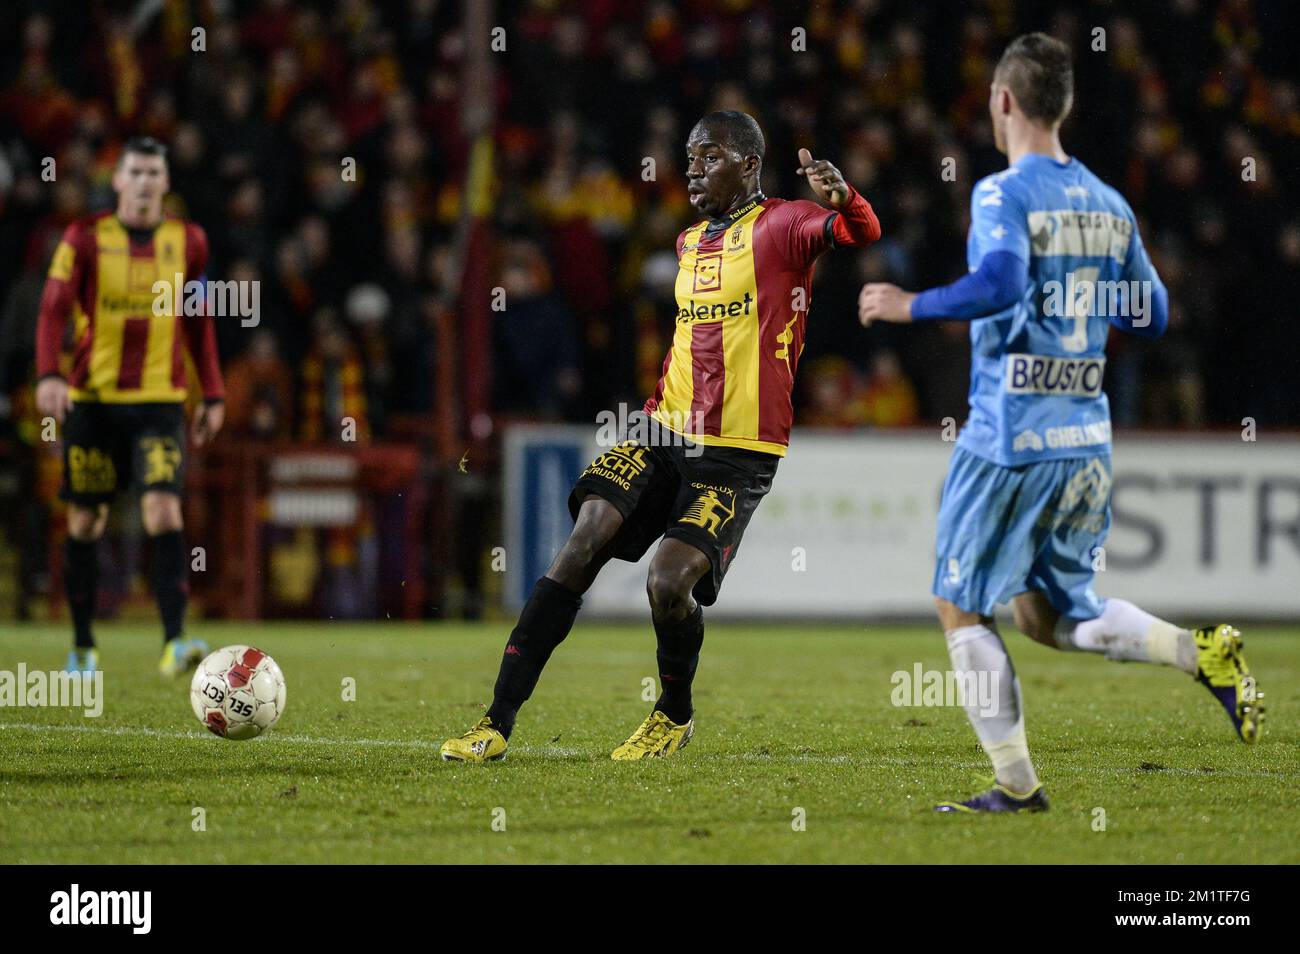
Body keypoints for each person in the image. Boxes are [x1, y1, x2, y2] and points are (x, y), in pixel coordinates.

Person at [859, 34, 1264, 814]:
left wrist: (909, 304)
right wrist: (1083, 298)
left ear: (1002, 101)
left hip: (1010, 436)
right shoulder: (1110, 203)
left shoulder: (1000, 193)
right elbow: (1153, 315)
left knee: (959, 602)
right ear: (1064, 106)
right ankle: (1198, 652)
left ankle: (1016, 788)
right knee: (1047, 615)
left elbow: (1002, 281)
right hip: (1086, 437)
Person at [442, 110, 881, 761]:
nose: (694, 168)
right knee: (583, 539)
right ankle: (495, 723)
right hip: (662, 433)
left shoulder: (784, 226)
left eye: (711, 156)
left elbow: (859, 230)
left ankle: (673, 715)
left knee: (666, 583)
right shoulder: (687, 243)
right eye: (690, 157)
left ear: (750, 165)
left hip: (738, 456)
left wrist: (842, 196)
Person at [34, 136, 225, 678]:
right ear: (117, 180)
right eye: (135, 172)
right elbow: (52, 311)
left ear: (166, 183)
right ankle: (83, 647)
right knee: (86, 519)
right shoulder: (85, 238)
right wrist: (49, 374)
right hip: (94, 402)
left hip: (160, 404)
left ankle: (174, 641)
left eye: (153, 173)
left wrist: (212, 393)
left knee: (163, 507)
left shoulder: (189, 242)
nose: (144, 182)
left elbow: (198, 323)